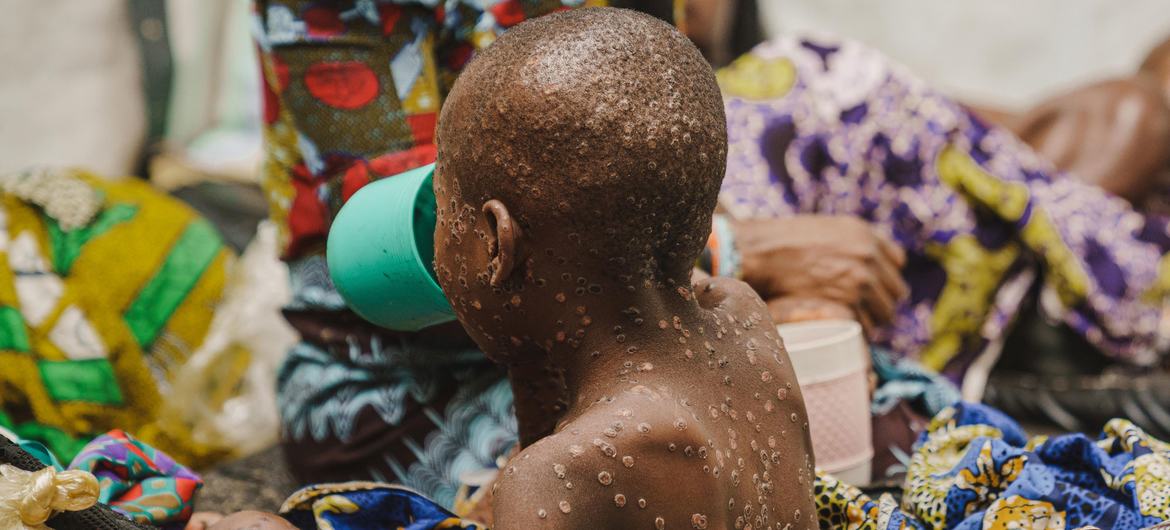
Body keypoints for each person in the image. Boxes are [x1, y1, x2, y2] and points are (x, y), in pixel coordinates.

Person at [433, 8, 817, 528]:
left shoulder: (555, 477)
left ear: (498, 246)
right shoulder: (745, 317)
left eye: (440, 210)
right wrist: (529, 360)